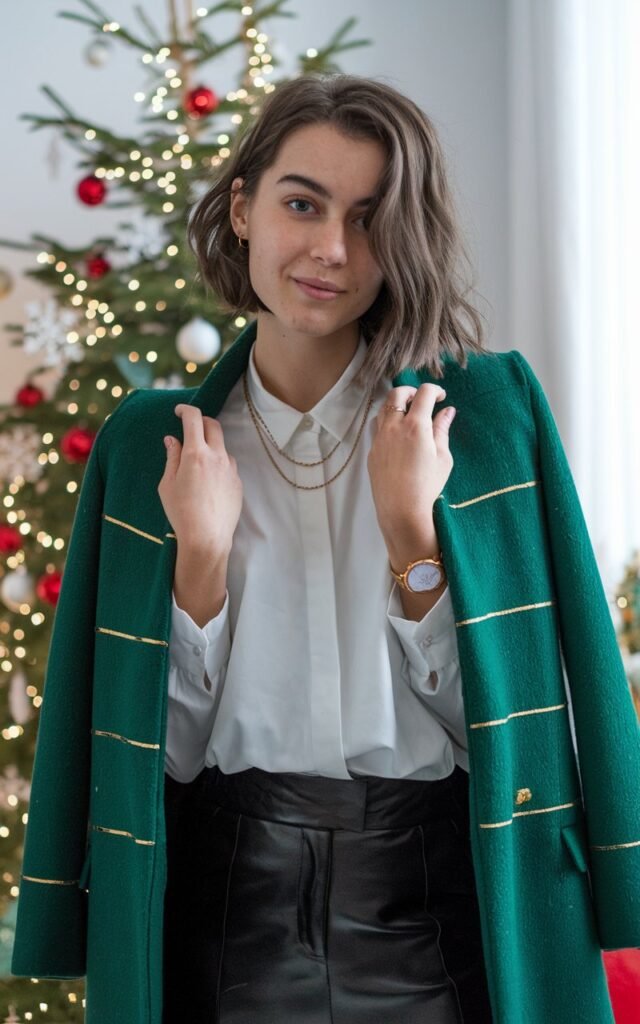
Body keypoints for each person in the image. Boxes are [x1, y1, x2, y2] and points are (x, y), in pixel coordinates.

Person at [12, 73, 640, 1024]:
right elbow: (156, 763)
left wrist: (413, 540)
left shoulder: (489, 421)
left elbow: (520, 737)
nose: (331, 250)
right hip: (225, 931)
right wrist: (202, 565)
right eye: (302, 203)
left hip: (448, 921)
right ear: (243, 208)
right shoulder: (152, 445)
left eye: (370, 218)